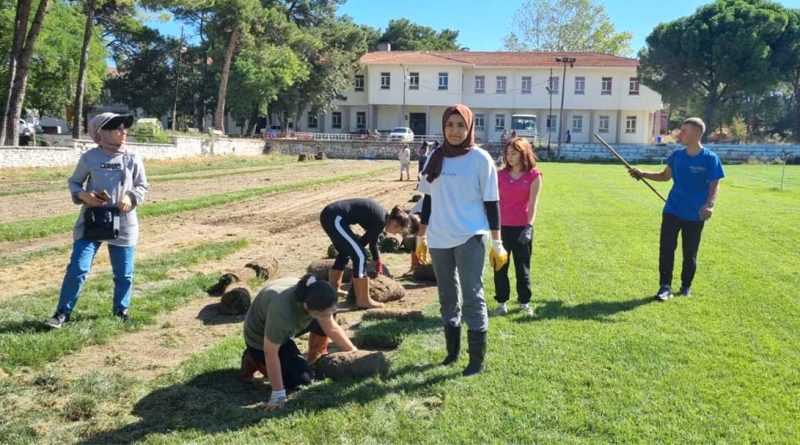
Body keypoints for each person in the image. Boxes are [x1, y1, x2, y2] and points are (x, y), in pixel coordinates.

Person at [416, 104, 508, 376]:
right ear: (443, 127)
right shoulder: (435, 157)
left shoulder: (480, 159)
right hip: (439, 237)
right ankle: (452, 352)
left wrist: (497, 242)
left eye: (460, 125)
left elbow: (492, 203)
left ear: (469, 127)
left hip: (471, 235)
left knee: (472, 295)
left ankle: (476, 361)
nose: (454, 131)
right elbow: (428, 200)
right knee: (446, 296)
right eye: (449, 125)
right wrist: (421, 236)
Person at [44, 113, 149, 328]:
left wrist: (130, 196)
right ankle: (62, 313)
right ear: (102, 132)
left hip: (124, 223)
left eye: (124, 128)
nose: (124, 132)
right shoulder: (90, 158)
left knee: (124, 273)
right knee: (78, 268)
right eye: (118, 128)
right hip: (92, 222)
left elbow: (142, 186)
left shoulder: (133, 157)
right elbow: (74, 183)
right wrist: (85, 196)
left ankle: (121, 311)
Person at [629, 118, 724, 301]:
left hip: (695, 214)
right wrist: (642, 174)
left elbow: (714, 185)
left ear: (696, 134)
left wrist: (709, 205)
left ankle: (686, 286)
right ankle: (665, 286)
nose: (680, 134)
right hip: (672, 209)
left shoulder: (710, 159)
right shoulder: (677, 156)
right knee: (666, 248)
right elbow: (664, 176)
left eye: (684, 131)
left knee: (690, 252)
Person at [240, 275, 358, 412]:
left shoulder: (317, 295)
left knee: (325, 318)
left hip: (291, 326)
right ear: (306, 306)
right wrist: (278, 394)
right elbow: (270, 353)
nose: (327, 316)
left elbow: (330, 326)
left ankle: (315, 357)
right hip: (261, 339)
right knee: (299, 380)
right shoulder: (282, 310)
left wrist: (354, 352)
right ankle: (252, 359)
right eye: (321, 313)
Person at [320, 199, 417, 309]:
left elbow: (370, 241)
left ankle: (334, 289)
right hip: (334, 217)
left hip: (331, 216)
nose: (396, 233)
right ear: (395, 223)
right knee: (361, 255)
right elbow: (366, 243)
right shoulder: (380, 220)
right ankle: (363, 299)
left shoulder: (381, 218)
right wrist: (361, 268)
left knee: (346, 251)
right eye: (399, 230)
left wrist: (376, 259)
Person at [492, 137, 542, 317]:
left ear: (524, 154)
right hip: (502, 228)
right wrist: (493, 228)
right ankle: (501, 303)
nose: (509, 157)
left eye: (514, 153)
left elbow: (533, 204)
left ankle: (524, 302)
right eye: (507, 153)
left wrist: (529, 226)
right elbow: (494, 202)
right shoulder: (499, 175)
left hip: (522, 228)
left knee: (523, 268)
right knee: (500, 267)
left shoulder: (534, 176)